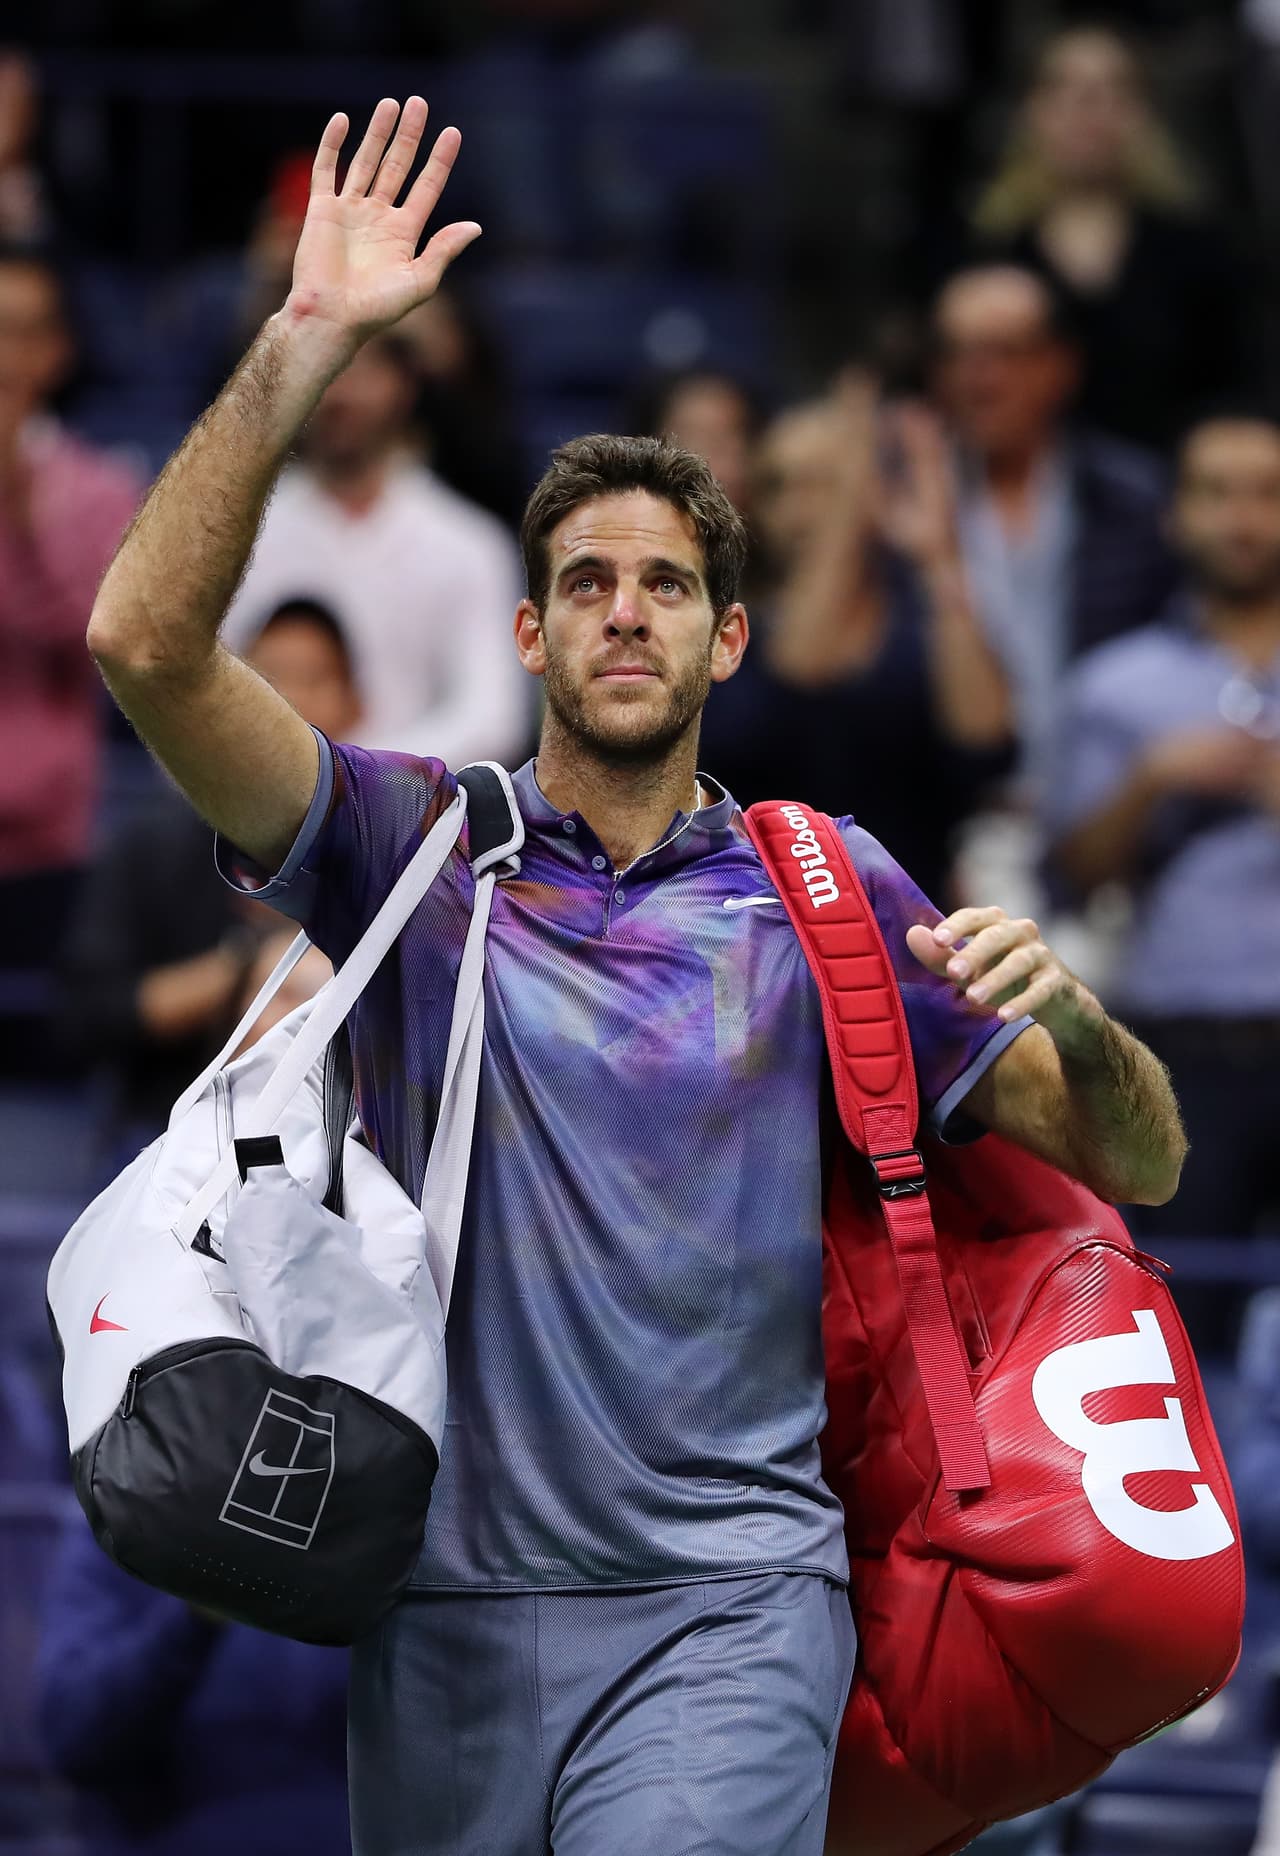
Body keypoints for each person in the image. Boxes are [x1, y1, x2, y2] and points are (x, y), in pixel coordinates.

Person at [84, 96, 1187, 1856]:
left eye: (664, 584)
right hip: (437, 1618)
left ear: (724, 636)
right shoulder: (412, 848)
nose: (621, 610)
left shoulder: (824, 888)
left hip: (730, 1609)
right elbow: (142, 642)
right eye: (583, 581)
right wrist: (303, 341)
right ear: (526, 632)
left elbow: (1136, 1162)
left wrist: (1074, 1014)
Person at [1047, 412, 1280, 1255]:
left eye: (1265, 494)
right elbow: (1070, 875)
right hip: (1182, 1044)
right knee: (1184, 1323)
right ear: (1174, 515)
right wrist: (1148, 782)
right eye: (1217, 494)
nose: (1243, 519)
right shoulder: (1116, 685)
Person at [60, 596, 359, 1151]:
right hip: (165, 1136)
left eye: (314, 678)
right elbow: (89, 1016)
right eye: (269, 678)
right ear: (230, 702)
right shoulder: (148, 848)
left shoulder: (393, 855)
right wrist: (248, 969)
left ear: (355, 704)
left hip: (345, 1147)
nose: (290, 700)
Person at [701, 374, 1014, 904]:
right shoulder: (727, 628)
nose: (801, 509)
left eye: (822, 482)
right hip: (764, 924)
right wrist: (854, 477)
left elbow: (986, 742)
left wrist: (939, 557)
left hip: (914, 924)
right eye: (781, 485)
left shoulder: (926, 617)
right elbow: (800, 671)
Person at [219, 321, 530, 768]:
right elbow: (196, 691)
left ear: (403, 385)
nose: (340, 393)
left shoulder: (469, 544)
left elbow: (493, 717)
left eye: (362, 370)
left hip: (418, 813)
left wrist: (359, 780)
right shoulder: (238, 533)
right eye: (323, 369)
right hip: (251, 802)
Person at [932, 262, 1177, 798]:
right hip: (947, 813)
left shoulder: (1136, 503)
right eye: (958, 353)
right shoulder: (907, 501)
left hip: (1109, 804)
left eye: (1003, 353)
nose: (978, 379)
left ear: (1060, 365)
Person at [969, 24, 1250, 450]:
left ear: (1142, 113)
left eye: (1111, 89)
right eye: (1067, 89)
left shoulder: (1198, 251)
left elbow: (1233, 393)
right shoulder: (985, 251)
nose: (1088, 108)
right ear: (1031, 110)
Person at [36, 1513, 352, 1856]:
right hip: (169, 1835)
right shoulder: (122, 1512)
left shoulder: (383, 1521)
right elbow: (71, 1737)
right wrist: (193, 1616)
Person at [0, 242, 140, 969]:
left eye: (25, 331)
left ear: (57, 350)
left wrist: (19, 510)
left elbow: (90, 643)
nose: (7, 356)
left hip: (50, 842)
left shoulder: (101, 491)